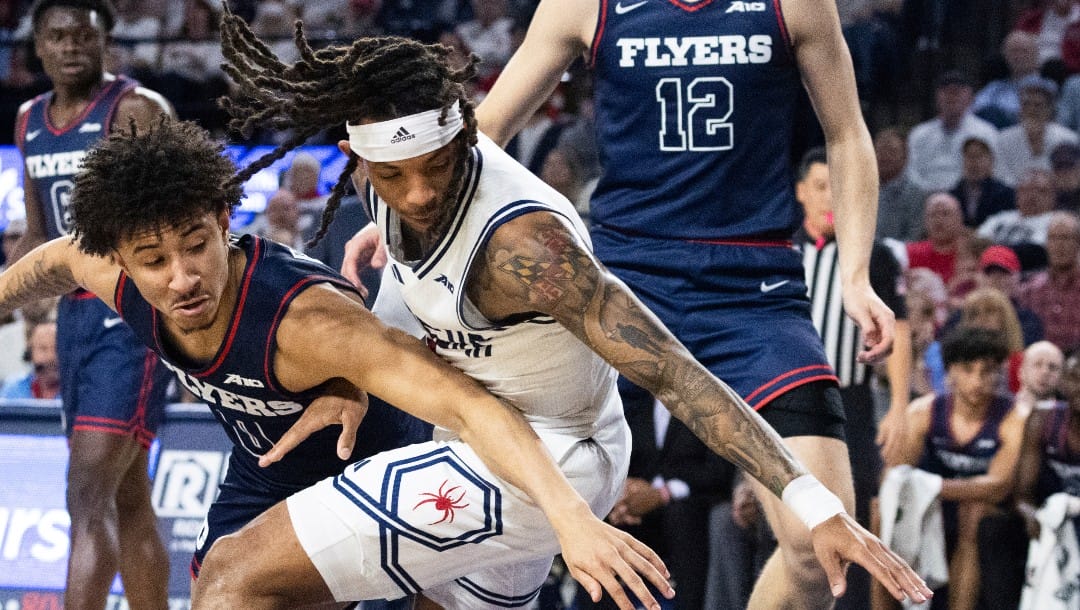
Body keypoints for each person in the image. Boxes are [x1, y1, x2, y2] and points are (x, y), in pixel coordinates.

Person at [216, 17, 931, 610]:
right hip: (495, 430)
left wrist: (810, 501)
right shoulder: (389, 173)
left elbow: (678, 376)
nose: (420, 193)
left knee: (235, 578)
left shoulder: (530, 249)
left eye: (437, 165)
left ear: (466, 136)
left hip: (565, 443)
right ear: (357, 159)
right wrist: (356, 378)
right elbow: (410, 288)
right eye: (396, 176)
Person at [0, 117, 676, 610]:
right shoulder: (105, 269)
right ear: (118, 259)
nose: (182, 277)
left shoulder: (308, 322)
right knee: (219, 591)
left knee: (239, 587)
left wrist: (572, 518)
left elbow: (470, 405)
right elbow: (50, 263)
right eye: (153, 261)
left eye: (197, 245)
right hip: (266, 465)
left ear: (225, 215)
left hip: (380, 453)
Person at [10, 1, 175, 608]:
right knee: (128, 498)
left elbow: (185, 210)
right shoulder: (29, 119)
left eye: (85, 35)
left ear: (105, 42)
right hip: (74, 317)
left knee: (86, 495)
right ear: (38, 48)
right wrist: (14, 294)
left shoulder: (136, 110)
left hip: (129, 312)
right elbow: (36, 232)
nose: (72, 45)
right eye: (58, 36)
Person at [793, 147, 911, 609]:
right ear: (801, 192)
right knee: (787, 520)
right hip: (788, 402)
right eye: (821, 186)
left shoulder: (872, 257)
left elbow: (899, 325)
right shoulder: (780, 251)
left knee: (854, 515)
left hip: (852, 403)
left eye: (838, 188)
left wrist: (899, 406)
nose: (830, 198)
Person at [890, 326, 1026, 610]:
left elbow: (999, 486)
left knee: (973, 512)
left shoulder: (1013, 416)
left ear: (999, 373)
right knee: (882, 509)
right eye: (968, 369)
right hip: (937, 504)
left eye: (987, 371)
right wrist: (923, 491)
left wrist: (931, 487)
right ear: (950, 371)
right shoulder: (923, 411)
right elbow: (894, 477)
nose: (977, 380)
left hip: (994, 513)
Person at [1018, 211, 1080, 352]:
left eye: (1066, 238)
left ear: (1078, 243)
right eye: (1053, 238)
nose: (1059, 245)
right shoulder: (1029, 289)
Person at [949, 136, 1016, 229]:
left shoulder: (1006, 194)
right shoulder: (952, 196)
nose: (974, 163)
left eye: (979, 156)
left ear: (991, 161)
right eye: (969, 156)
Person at [0, 319, 60, 399]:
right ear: (30, 353)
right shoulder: (12, 390)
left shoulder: (79, 393)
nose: (50, 357)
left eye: (57, 348)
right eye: (43, 349)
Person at [1015, 340, 1065, 417]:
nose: (1045, 372)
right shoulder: (1001, 409)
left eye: (1053, 367)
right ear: (1021, 372)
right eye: (1037, 364)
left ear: (1061, 377)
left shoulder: (1067, 417)